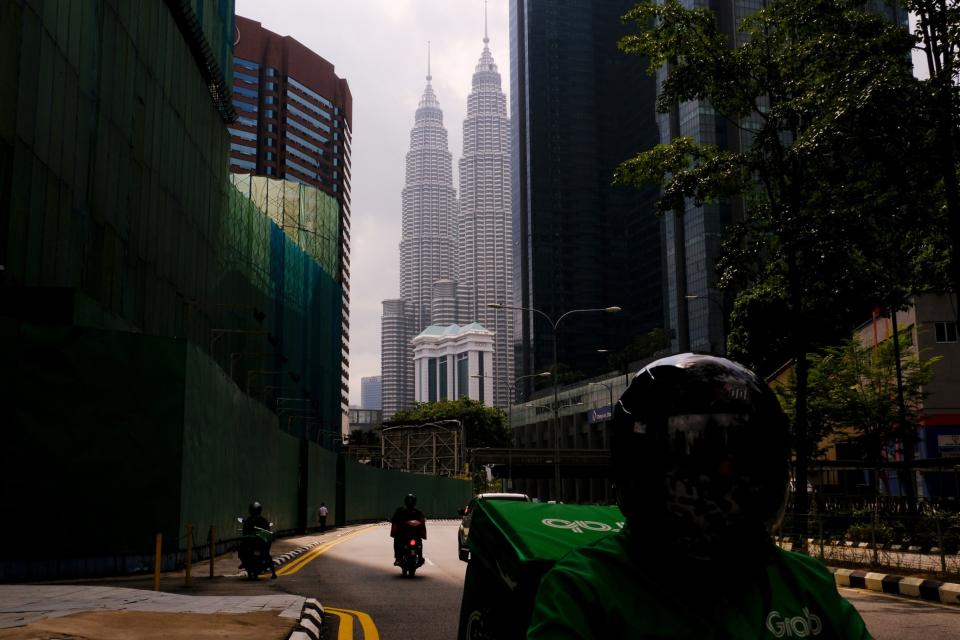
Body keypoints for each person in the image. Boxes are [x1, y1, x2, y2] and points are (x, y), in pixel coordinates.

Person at [527, 353, 870, 639]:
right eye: (695, 460)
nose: (722, 481)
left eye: (744, 458)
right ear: (642, 472)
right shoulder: (585, 589)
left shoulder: (805, 583)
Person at [241, 500, 277, 579]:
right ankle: (273, 572)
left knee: (266, 554)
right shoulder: (254, 520)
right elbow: (245, 531)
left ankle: (273, 572)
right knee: (242, 547)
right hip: (254, 541)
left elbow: (267, 531)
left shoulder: (254, 520)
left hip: (259, 542)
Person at [390, 493, 427, 566]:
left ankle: (398, 558)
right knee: (419, 542)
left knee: (397, 540)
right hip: (411, 536)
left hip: (404, 536)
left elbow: (394, 520)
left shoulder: (400, 511)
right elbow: (423, 521)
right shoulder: (418, 512)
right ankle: (420, 557)